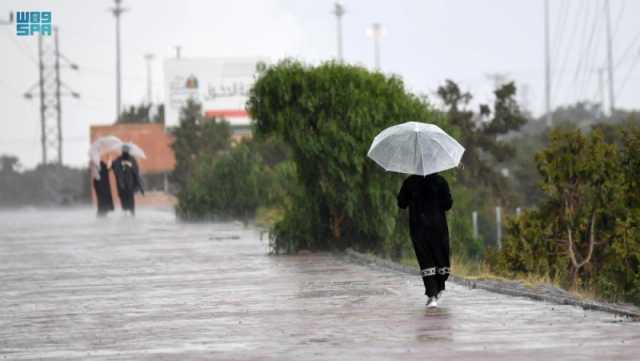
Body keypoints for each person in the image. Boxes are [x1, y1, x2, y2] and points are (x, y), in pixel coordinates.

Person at [397, 172, 453, 308]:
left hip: (418, 227)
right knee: (440, 258)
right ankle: (438, 288)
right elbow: (448, 204)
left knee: (425, 259)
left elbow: (401, 203)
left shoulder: (409, 182)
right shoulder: (440, 181)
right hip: (438, 227)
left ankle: (432, 294)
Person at [112, 145, 144, 215]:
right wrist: (121, 165)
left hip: (130, 185)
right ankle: (125, 216)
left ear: (129, 151)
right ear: (122, 151)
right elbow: (113, 166)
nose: (125, 151)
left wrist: (130, 166)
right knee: (124, 203)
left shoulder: (132, 159)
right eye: (124, 150)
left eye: (127, 150)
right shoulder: (118, 159)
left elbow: (136, 171)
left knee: (131, 202)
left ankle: (132, 215)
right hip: (122, 185)